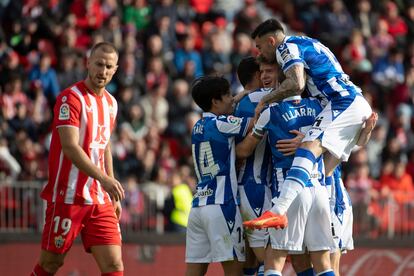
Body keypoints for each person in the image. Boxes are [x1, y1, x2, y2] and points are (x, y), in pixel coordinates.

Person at [244, 18, 373, 230]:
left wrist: (265, 101)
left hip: (343, 102)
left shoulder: (286, 47)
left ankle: (278, 211)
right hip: (351, 102)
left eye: (259, 47)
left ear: (271, 41)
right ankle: (295, 211)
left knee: (308, 147)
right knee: (322, 163)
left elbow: (296, 83)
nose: (259, 53)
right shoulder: (305, 42)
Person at [31, 42, 125, 276]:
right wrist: (104, 179)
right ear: (88, 63)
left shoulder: (112, 104)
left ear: (115, 70)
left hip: (99, 199)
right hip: (68, 195)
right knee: (51, 264)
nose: (103, 71)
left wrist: (111, 188)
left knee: (114, 265)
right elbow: (70, 146)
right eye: (99, 64)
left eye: (108, 67)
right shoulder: (70, 99)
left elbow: (104, 146)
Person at [236, 60, 336, 276]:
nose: (264, 77)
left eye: (269, 72)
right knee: (322, 261)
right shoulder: (319, 107)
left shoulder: (270, 112)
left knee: (274, 259)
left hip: (289, 192)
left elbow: (245, 150)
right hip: (319, 190)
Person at [186, 76, 253, 276]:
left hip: (198, 207)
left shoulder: (198, 126)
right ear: (215, 101)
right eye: (228, 95)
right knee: (234, 272)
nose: (232, 99)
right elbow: (257, 122)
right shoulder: (222, 123)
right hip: (221, 205)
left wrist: (239, 96)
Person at [234, 56, 273, 276]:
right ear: (259, 75)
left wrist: (242, 93)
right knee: (269, 258)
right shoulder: (267, 99)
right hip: (256, 186)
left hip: (238, 186)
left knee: (247, 259)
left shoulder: (236, 103)